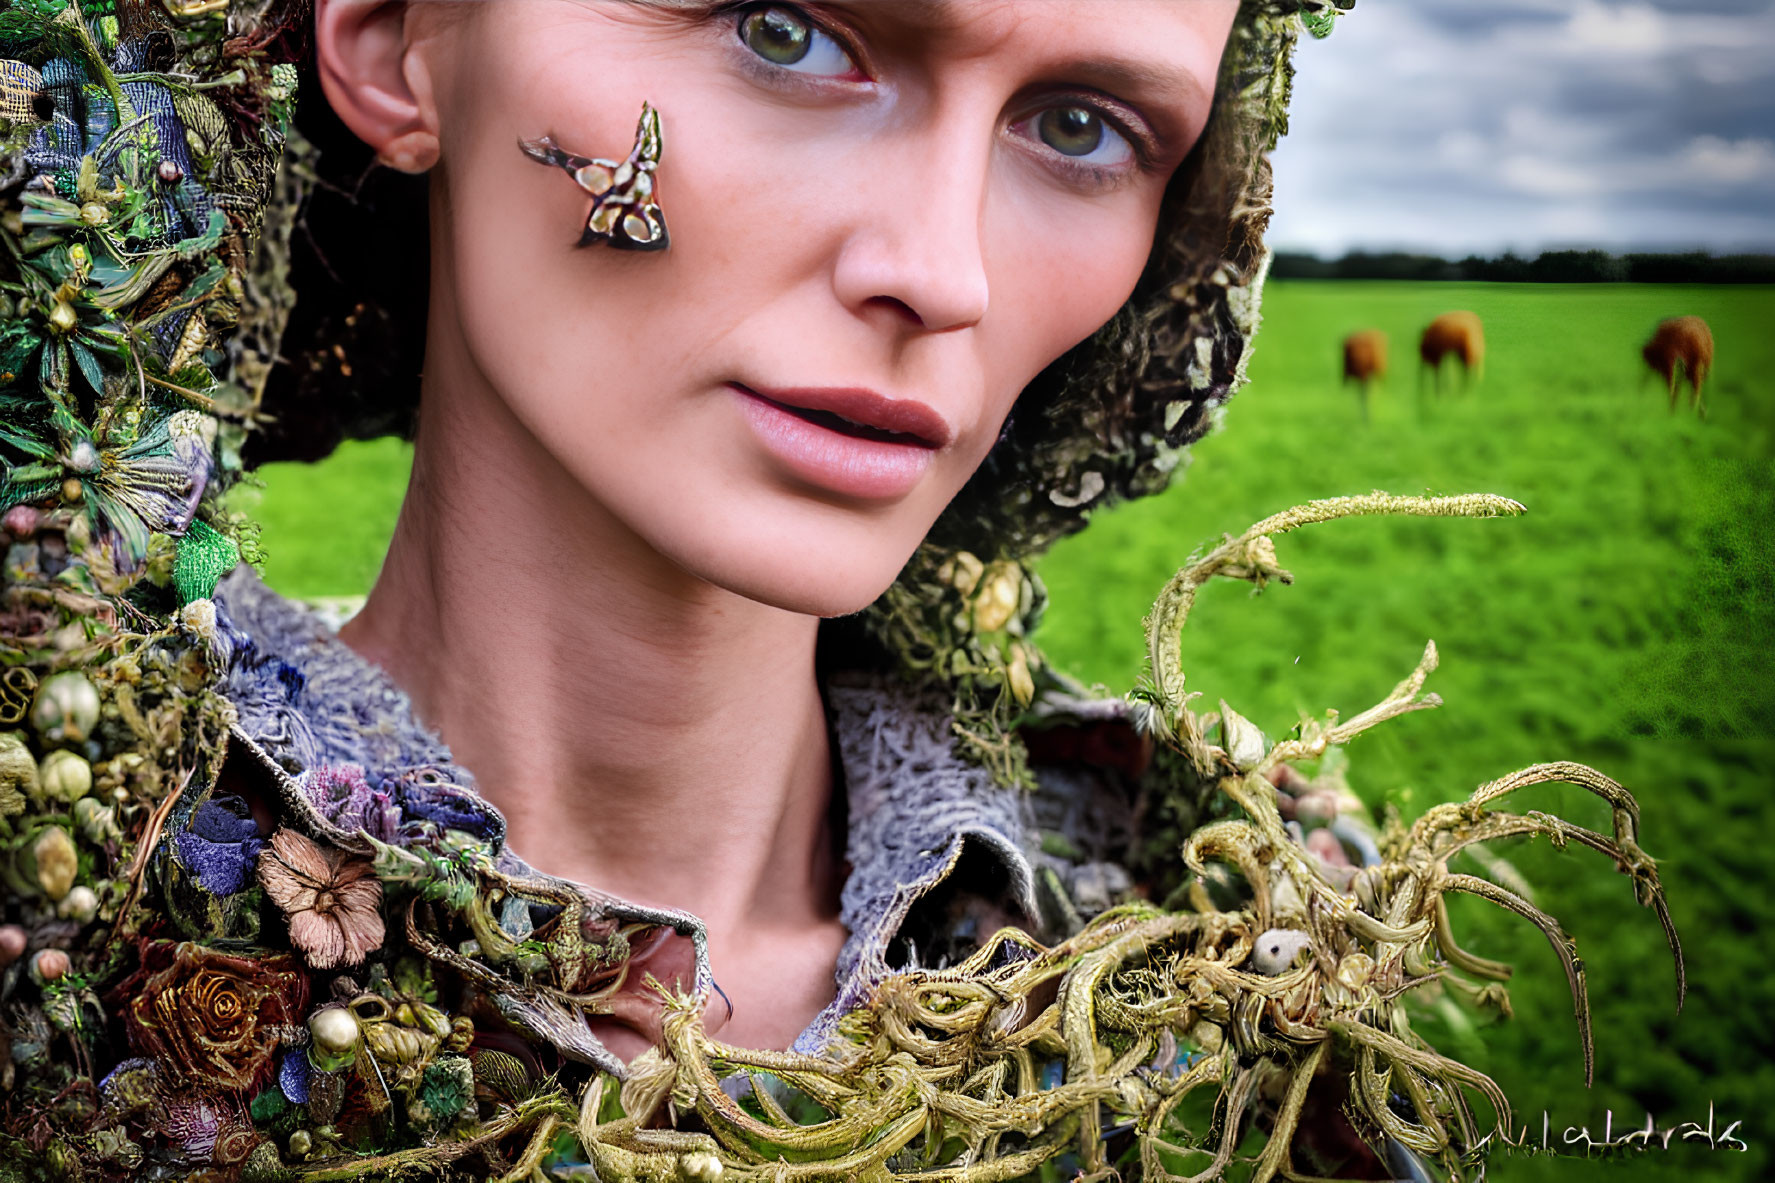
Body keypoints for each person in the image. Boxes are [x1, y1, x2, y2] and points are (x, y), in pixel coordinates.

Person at [0, 1, 1681, 1180]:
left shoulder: (1248, 950)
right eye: (782, 28)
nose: (941, 273)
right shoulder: (50, 938)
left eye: (1082, 127)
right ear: (388, 35)